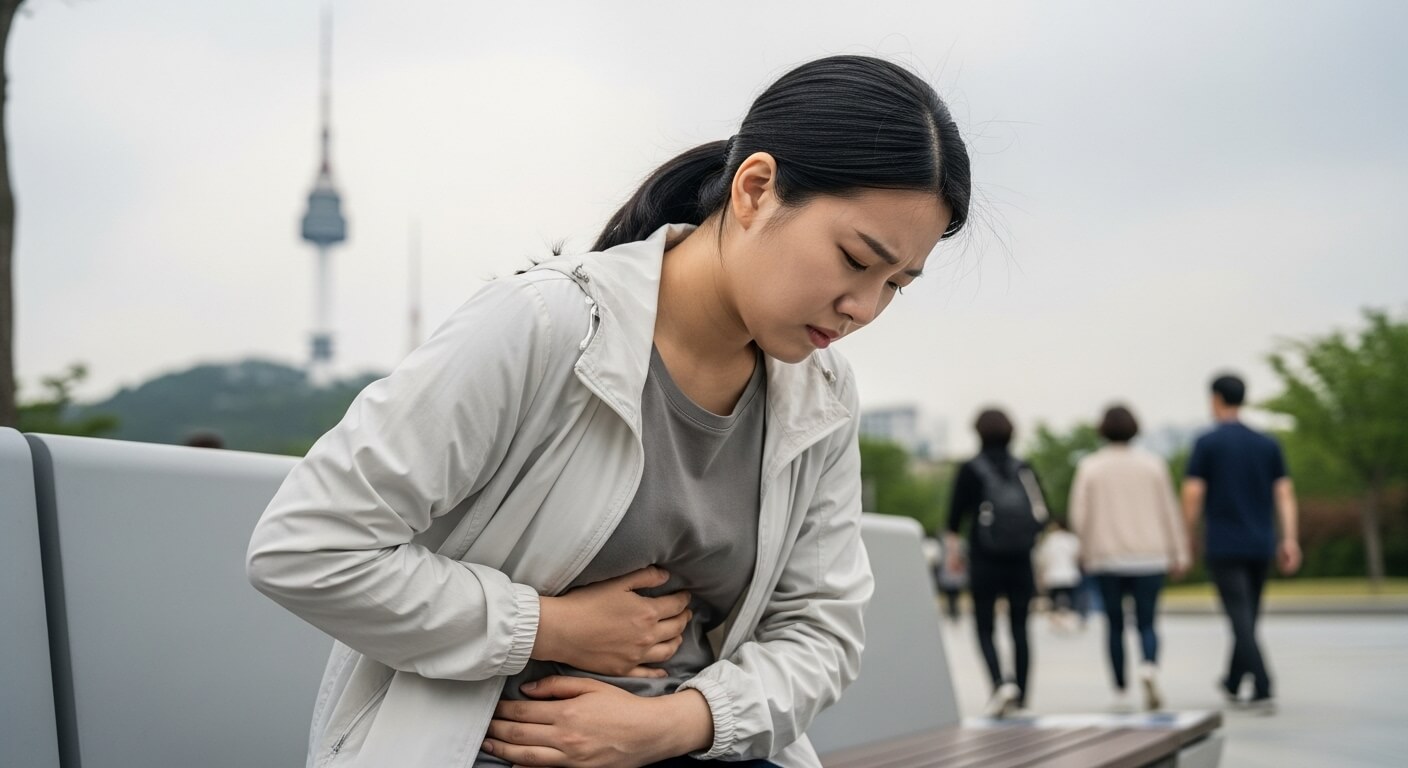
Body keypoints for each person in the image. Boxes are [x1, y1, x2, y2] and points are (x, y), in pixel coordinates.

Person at [245, 54, 971, 768]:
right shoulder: (546, 324)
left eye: (897, 285)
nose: (863, 308)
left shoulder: (822, 397)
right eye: (854, 258)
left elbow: (820, 634)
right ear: (755, 189)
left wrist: (674, 724)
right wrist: (547, 627)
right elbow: (308, 546)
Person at [1182, 374, 1301, 715]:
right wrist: (1289, 538)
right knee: (1248, 615)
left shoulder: (1207, 443)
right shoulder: (1267, 444)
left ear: (1216, 398)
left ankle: (1262, 685)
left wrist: (1187, 535)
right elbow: (1284, 493)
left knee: (1240, 617)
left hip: (1224, 543)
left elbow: (1193, 493)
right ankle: (1234, 680)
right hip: (1261, 542)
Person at [1069, 405, 1188, 712]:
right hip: (1150, 555)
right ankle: (1148, 665)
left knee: (1114, 624)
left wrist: (1081, 550)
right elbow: (1169, 512)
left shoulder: (1090, 467)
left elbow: (1078, 516)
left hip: (1107, 557)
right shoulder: (1153, 465)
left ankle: (1120, 686)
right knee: (1147, 622)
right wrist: (1179, 552)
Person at [945, 408, 1049, 718]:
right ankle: (1023, 698)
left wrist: (952, 557)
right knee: (1020, 627)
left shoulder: (969, 469)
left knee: (985, 626)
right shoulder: (1023, 468)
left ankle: (999, 685)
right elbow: (1042, 514)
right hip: (1020, 558)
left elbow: (953, 521)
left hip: (984, 558)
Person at [1033, 519, 1081, 632]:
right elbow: (1078, 555)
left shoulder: (1050, 539)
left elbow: (1043, 558)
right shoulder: (1072, 539)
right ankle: (1069, 622)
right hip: (1070, 574)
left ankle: (1056, 621)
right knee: (1070, 600)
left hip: (1053, 575)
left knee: (1054, 600)